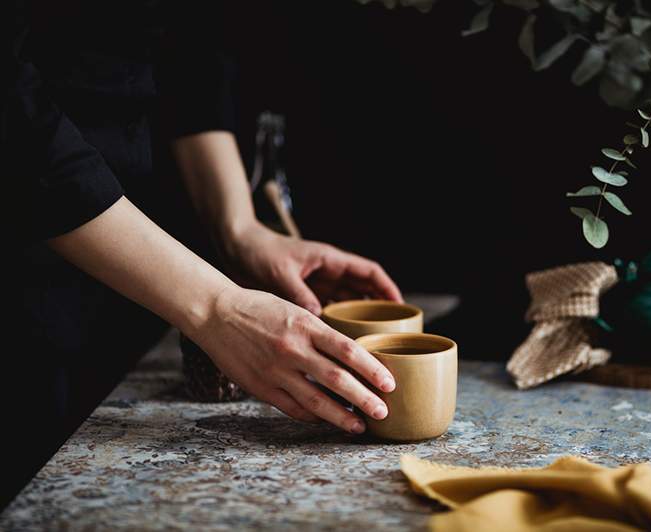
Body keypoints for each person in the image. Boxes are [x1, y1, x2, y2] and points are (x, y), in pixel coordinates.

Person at [3, 0, 401, 504]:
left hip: (130, 246)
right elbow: (13, 116)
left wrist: (241, 230)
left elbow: (191, 51)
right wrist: (216, 306)